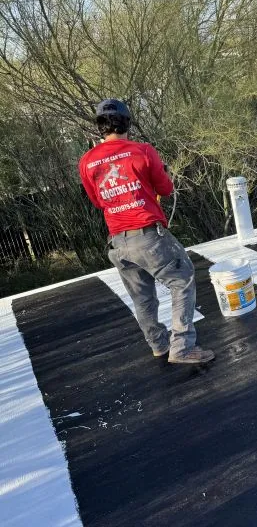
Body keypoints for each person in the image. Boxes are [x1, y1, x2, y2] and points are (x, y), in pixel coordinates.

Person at [78, 99, 214, 364]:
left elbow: (97, 201)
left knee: (142, 298)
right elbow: (165, 189)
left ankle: (158, 345)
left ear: (100, 127)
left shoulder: (86, 162)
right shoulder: (142, 151)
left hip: (118, 242)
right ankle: (183, 346)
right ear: (127, 122)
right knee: (182, 279)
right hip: (148, 236)